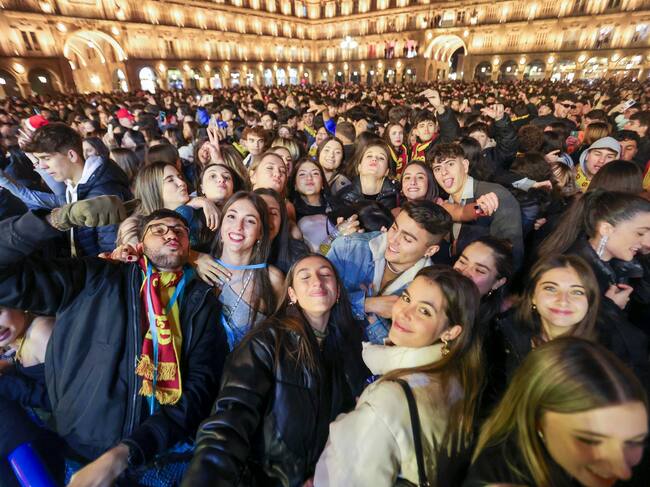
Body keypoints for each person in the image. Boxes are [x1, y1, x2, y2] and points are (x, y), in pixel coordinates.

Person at [0, 201, 227, 487]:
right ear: (140, 243)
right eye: (159, 229)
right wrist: (55, 221)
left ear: (188, 246)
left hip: (160, 458)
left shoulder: (201, 301)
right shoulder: (98, 276)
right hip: (84, 452)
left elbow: (199, 388)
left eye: (180, 230)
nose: (171, 233)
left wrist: (128, 451)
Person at [181, 254, 369, 487]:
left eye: (325, 274)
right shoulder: (266, 342)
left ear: (338, 290)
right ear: (292, 294)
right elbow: (230, 420)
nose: (317, 282)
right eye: (305, 277)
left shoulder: (349, 351)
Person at [315, 266, 483, 486]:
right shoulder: (457, 378)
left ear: (450, 332)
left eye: (424, 311)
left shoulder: (389, 399)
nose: (403, 312)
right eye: (406, 298)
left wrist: (360, 418)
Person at [464, 338, 648, 486]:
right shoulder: (500, 472)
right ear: (539, 421)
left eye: (633, 441)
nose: (622, 470)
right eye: (591, 440)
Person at [327, 200, 452, 343]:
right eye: (394, 228)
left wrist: (372, 319)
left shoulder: (430, 289)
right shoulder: (349, 248)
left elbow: (401, 346)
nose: (393, 240)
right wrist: (367, 304)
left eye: (407, 239)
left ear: (430, 250)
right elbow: (313, 301)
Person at [25, 122, 132, 256]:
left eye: (46, 158)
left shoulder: (103, 192)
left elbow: (110, 253)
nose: (42, 166)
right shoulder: (75, 185)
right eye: (38, 159)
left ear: (71, 155)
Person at [430, 143, 524, 268]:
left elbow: (512, 255)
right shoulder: (447, 203)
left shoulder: (494, 195)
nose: (444, 172)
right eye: (437, 169)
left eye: (450, 164)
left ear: (465, 165)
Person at [337, 138, 400, 210]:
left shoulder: (397, 195)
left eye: (381, 158)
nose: (374, 159)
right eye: (369, 156)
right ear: (359, 166)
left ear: (387, 171)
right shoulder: (342, 196)